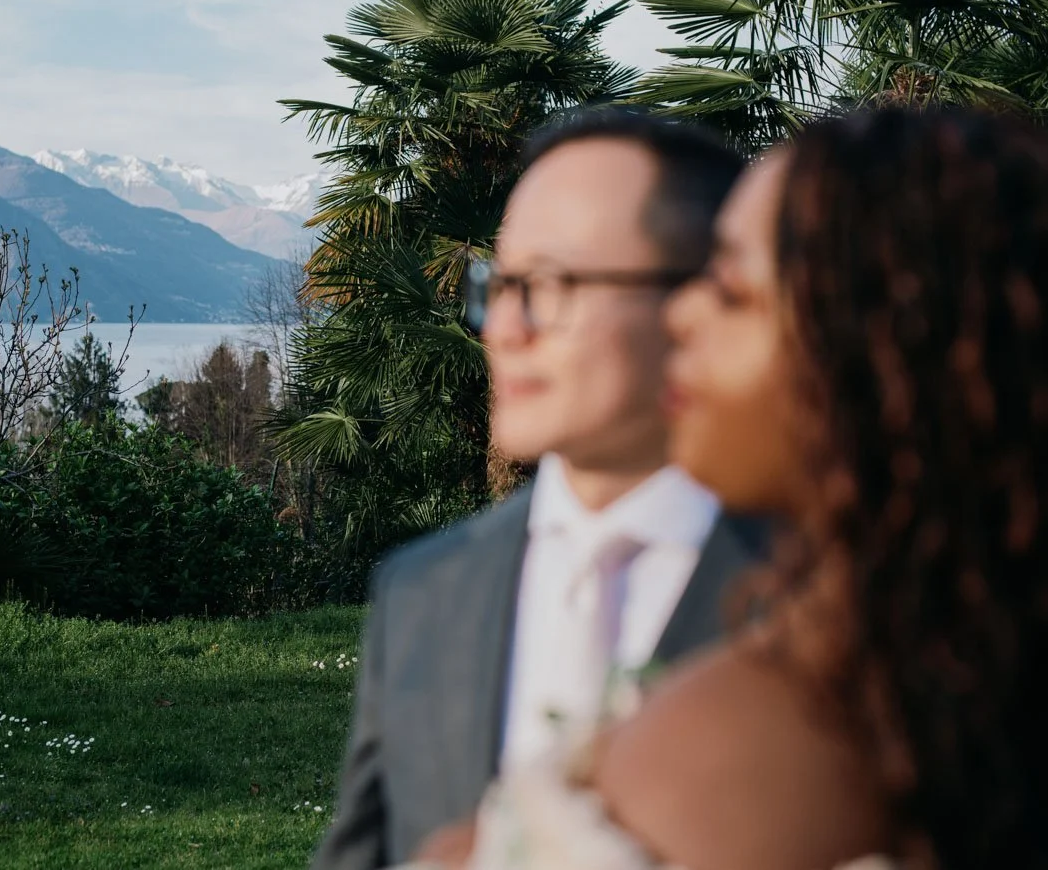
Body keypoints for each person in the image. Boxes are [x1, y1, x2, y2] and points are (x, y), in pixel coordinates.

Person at [410, 107, 1048, 869]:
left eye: (729, 291)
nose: (680, 314)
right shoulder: (984, 683)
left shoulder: (714, 759)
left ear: (874, 358)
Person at [310, 109, 756, 870]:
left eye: (551, 284)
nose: (505, 329)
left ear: (694, 305)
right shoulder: (423, 592)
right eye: (501, 284)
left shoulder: (840, 594)